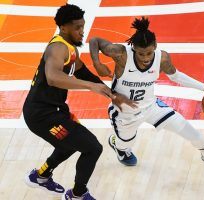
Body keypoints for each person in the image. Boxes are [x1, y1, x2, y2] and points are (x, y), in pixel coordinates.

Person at [89, 17, 204, 173]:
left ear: (155, 46)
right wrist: (97, 63)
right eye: (141, 54)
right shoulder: (121, 54)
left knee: (194, 134)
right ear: (133, 48)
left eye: (149, 53)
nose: (145, 58)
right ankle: (118, 146)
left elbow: (176, 76)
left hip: (152, 108)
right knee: (124, 145)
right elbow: (94, 41)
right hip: (125, 114)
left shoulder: (162, 57)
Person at [23, 4, 136, 200]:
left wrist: (112, 94)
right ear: (64, 28)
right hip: (42, 115)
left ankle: (40, 175)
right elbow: (52, 77)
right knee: (92, 147)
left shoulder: (70, 49)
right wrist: (89, 86)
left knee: (71, 143)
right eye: (77, 27)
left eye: (83, 26)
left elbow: (83, 71)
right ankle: (77, 194)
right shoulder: (57, 48)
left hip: (53, 111)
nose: (82, 31)